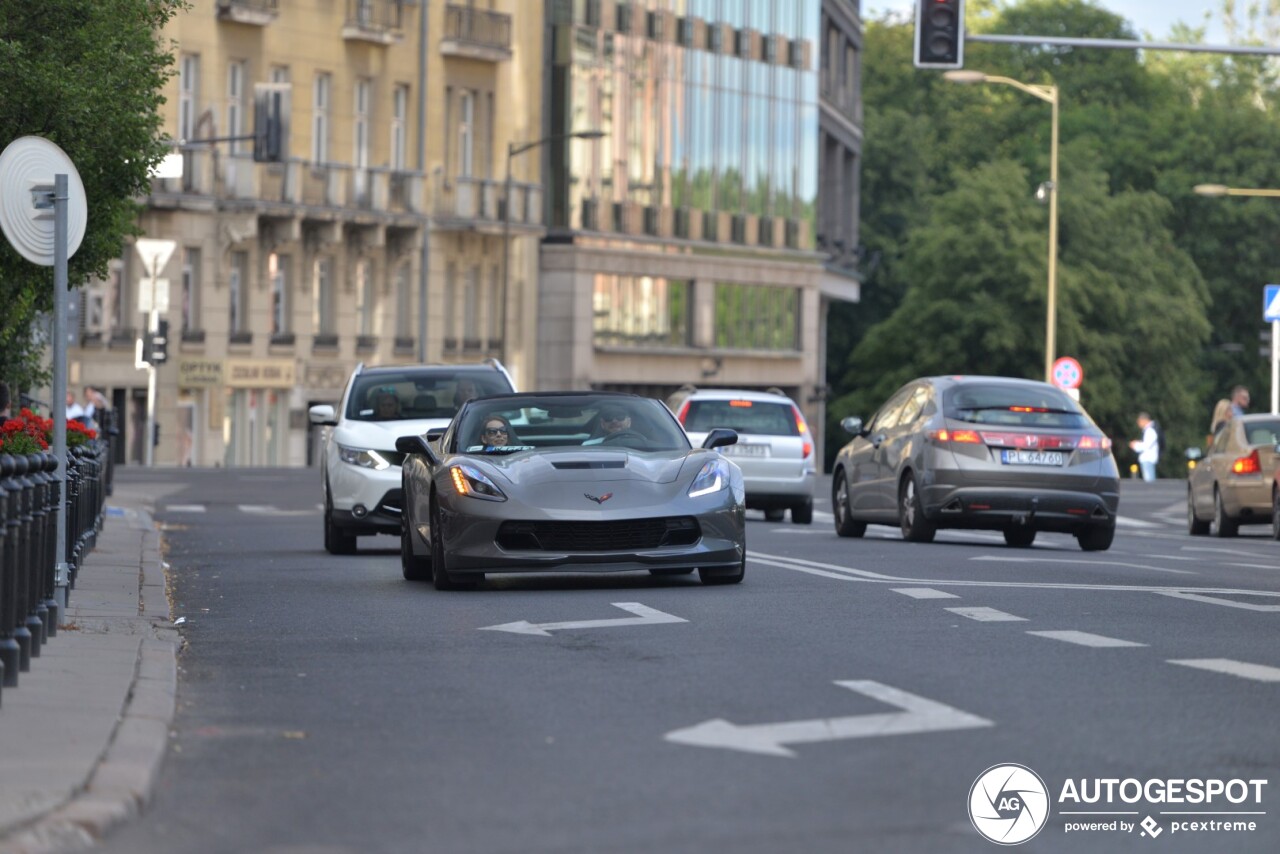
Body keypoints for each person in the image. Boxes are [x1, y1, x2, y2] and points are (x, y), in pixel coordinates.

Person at [1128, 412, 1160, 482]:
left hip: (1147, 459)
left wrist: (1135, 445)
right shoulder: (1150, 430)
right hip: (1148, 459)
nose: (1138, 424)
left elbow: (1146, 445)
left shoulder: (1150, 430)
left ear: (1144, 420)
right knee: (1149, 480)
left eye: (1139, 422)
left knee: (1149, 481)